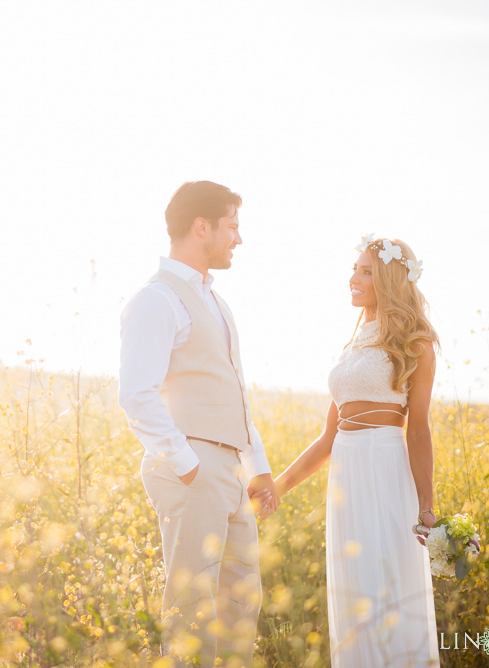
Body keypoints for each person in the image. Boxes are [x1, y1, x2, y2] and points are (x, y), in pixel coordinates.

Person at [259, 235, 440, 666]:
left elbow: (418, 432)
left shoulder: (416, 342)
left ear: (390, 280)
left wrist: (427, 507)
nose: (352, 279)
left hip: (385, 468)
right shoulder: (354, 342)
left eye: (364, 271)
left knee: (387, 584)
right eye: (354, 269)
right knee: (355, 589)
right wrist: (278, 487)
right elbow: (328, 438)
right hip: (346, 473)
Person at [118, 180, 278, 665]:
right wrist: (187, 464)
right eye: (232, 227)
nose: (239, 239)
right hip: (193, 466)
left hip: (229, 470)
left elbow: (233, 392)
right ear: (201, 226)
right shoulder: (156, 299)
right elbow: (136, 394)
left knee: (240, 602)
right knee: (192, 609)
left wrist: (258, 467)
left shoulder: (217, 303)